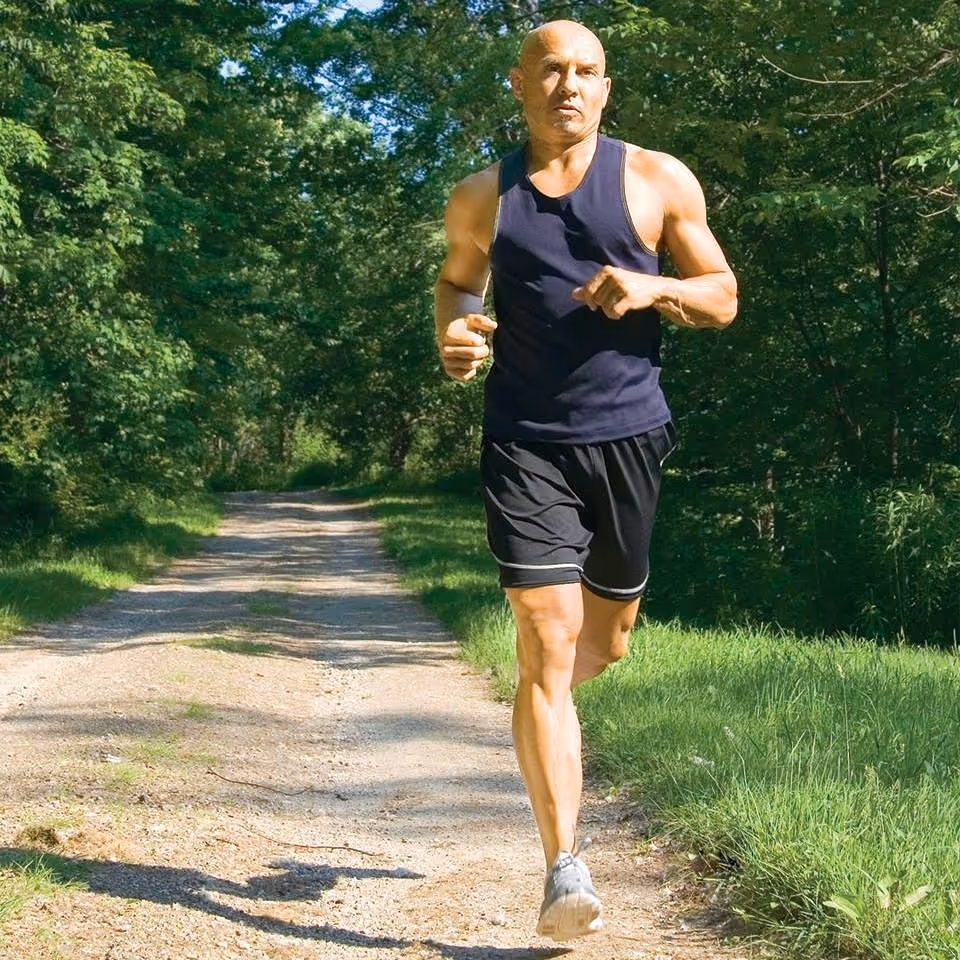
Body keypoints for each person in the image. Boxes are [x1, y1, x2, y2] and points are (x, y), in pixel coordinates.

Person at [433, 19, 737, 943]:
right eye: (552, 69)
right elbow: (457, 287)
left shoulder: (655, 179)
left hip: (629, 438)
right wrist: (455, 335)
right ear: (518, 82)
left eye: (587, 71)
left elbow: (722, 294)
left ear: (605, 88)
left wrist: (655, 289)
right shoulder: (482, 196)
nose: (569, 85)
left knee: (602, 644)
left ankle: (548, 707)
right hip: (525, 441)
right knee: (546, 636)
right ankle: (563, 865)